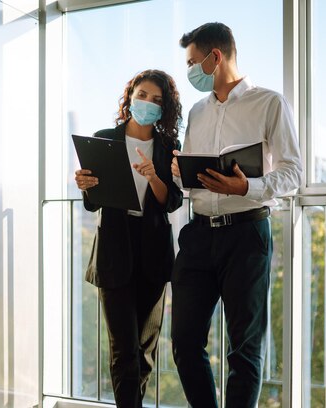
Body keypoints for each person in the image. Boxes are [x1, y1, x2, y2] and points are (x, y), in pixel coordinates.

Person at [170, 23, 303, 408]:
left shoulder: (269, 103)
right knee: (184, 341)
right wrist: (182, 174)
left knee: (244, 347)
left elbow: (293, 172)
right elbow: (192, 182)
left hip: (246, 234)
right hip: (198, 236)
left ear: (216, 57)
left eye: (194, 62)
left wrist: (246, 188)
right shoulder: (196, 112)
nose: (191, 70)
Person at [74, 69, 183, 408]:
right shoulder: (104, 138)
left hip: (152, 251)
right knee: (124, 351)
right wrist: (84, 185)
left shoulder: (168, 147)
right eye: (142, 95)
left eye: (156, 100)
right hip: (115, 251)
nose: (147, 103)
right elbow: (92, 203)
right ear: (130, 96)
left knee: (144, 352)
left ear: (164, 109)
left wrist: (153, 177)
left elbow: (172, 201)